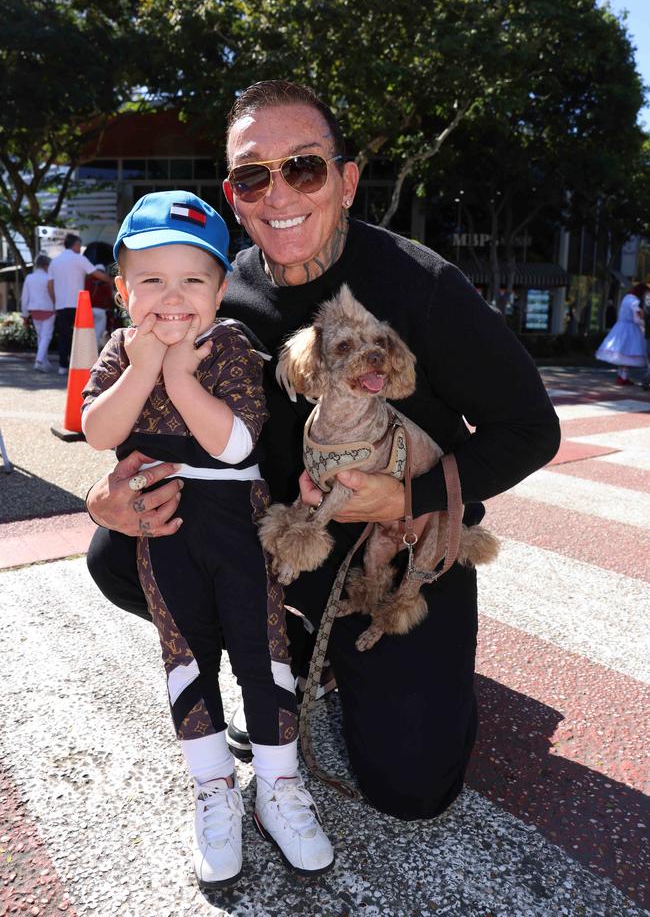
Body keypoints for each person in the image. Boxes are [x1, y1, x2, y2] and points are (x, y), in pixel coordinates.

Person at [86, 80, 560, 826]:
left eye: (303, 167)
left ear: (346, 179)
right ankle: (284, 642)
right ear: (234, 195)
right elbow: (146, 412)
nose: (279, 193)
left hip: (397, 544)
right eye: (253, 175)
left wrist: (412, 497)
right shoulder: (214, 294)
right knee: (117, 555)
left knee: (411, 791)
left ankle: (411, 665)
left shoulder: (423, 285)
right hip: (273, 536)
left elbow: (532, 428)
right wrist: (105, 495)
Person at [81, 190, 334, 887]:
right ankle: (212, 785)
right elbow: (98, 432)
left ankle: (280, 786)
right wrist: (142, 368)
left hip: (237, 524)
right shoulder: (119, 349)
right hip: (164, 530)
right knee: (184, 652)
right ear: (124, 288)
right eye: (152, 279)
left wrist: (178, 376)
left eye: (194, 279)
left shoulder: (227, 344)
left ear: (222, 288)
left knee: (263, 648)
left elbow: (235, 444)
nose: (173, 297)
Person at [47, 232, 112, 375]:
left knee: (64, 335)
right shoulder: (79, 259)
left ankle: (62, 366)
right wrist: (112, 280)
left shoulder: (54, 261)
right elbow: (97, 274)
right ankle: (80, 366)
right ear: (75, 245)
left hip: (61, 304)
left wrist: (54, 302)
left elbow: (50, 285)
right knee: (81, 335)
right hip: (78, 305)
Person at [595, 282, 648, 386]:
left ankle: (621, 376)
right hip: (631, 328)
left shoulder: (626, 298)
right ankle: (623, 378)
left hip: (620, 327)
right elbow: (636, 319)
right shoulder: (635, 302)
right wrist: (644, 322)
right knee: (628, 353)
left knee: (622, 353)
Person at [20, 254, 55, 372]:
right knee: (46, 336)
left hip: (34, 310)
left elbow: (24, 298)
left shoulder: (29, 278)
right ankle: (39, 361)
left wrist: (25, 315)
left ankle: (44, 362)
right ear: (46, 265)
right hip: (49, 309)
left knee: (41, 336)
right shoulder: (49, 278)